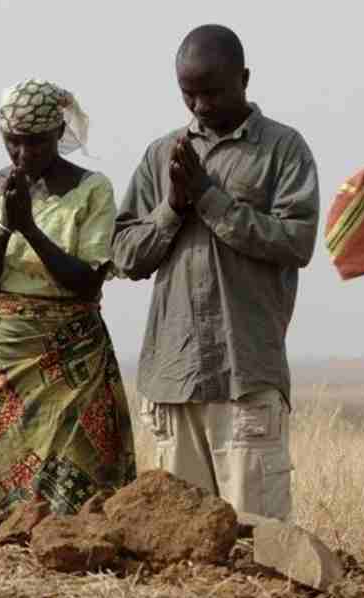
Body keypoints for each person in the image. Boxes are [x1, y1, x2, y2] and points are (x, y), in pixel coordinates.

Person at [110, 25, 319, 521]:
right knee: (178, 547)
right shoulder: (162, 154)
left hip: (244, 373)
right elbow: (123, 255)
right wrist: (173, 208)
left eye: (212, 91)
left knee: (260, 544)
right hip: (172, 380)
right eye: (189, 93)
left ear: (244, 79)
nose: (200, 105)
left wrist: (209, 198)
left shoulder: (283, 149)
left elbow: (297, 241)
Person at [0, 79, 136, 515]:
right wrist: (6, 226)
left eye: (36, 143)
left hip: (72, 360)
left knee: (74, 491)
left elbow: (87, 282)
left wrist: (32, 229)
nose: (24, 154)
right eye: (14, 143)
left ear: (58, 134)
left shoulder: (91, 189)